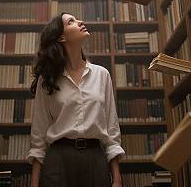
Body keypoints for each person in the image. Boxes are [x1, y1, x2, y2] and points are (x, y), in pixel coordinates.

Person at [27, 12, 125, 187]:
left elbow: (112, 130)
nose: (80, 21)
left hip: (95, 159)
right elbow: (39, 134)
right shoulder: (47, 79)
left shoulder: (102, 75)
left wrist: (116, 179)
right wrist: (34, 184)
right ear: (61, 37)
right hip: (58, 161)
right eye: (71, 21)